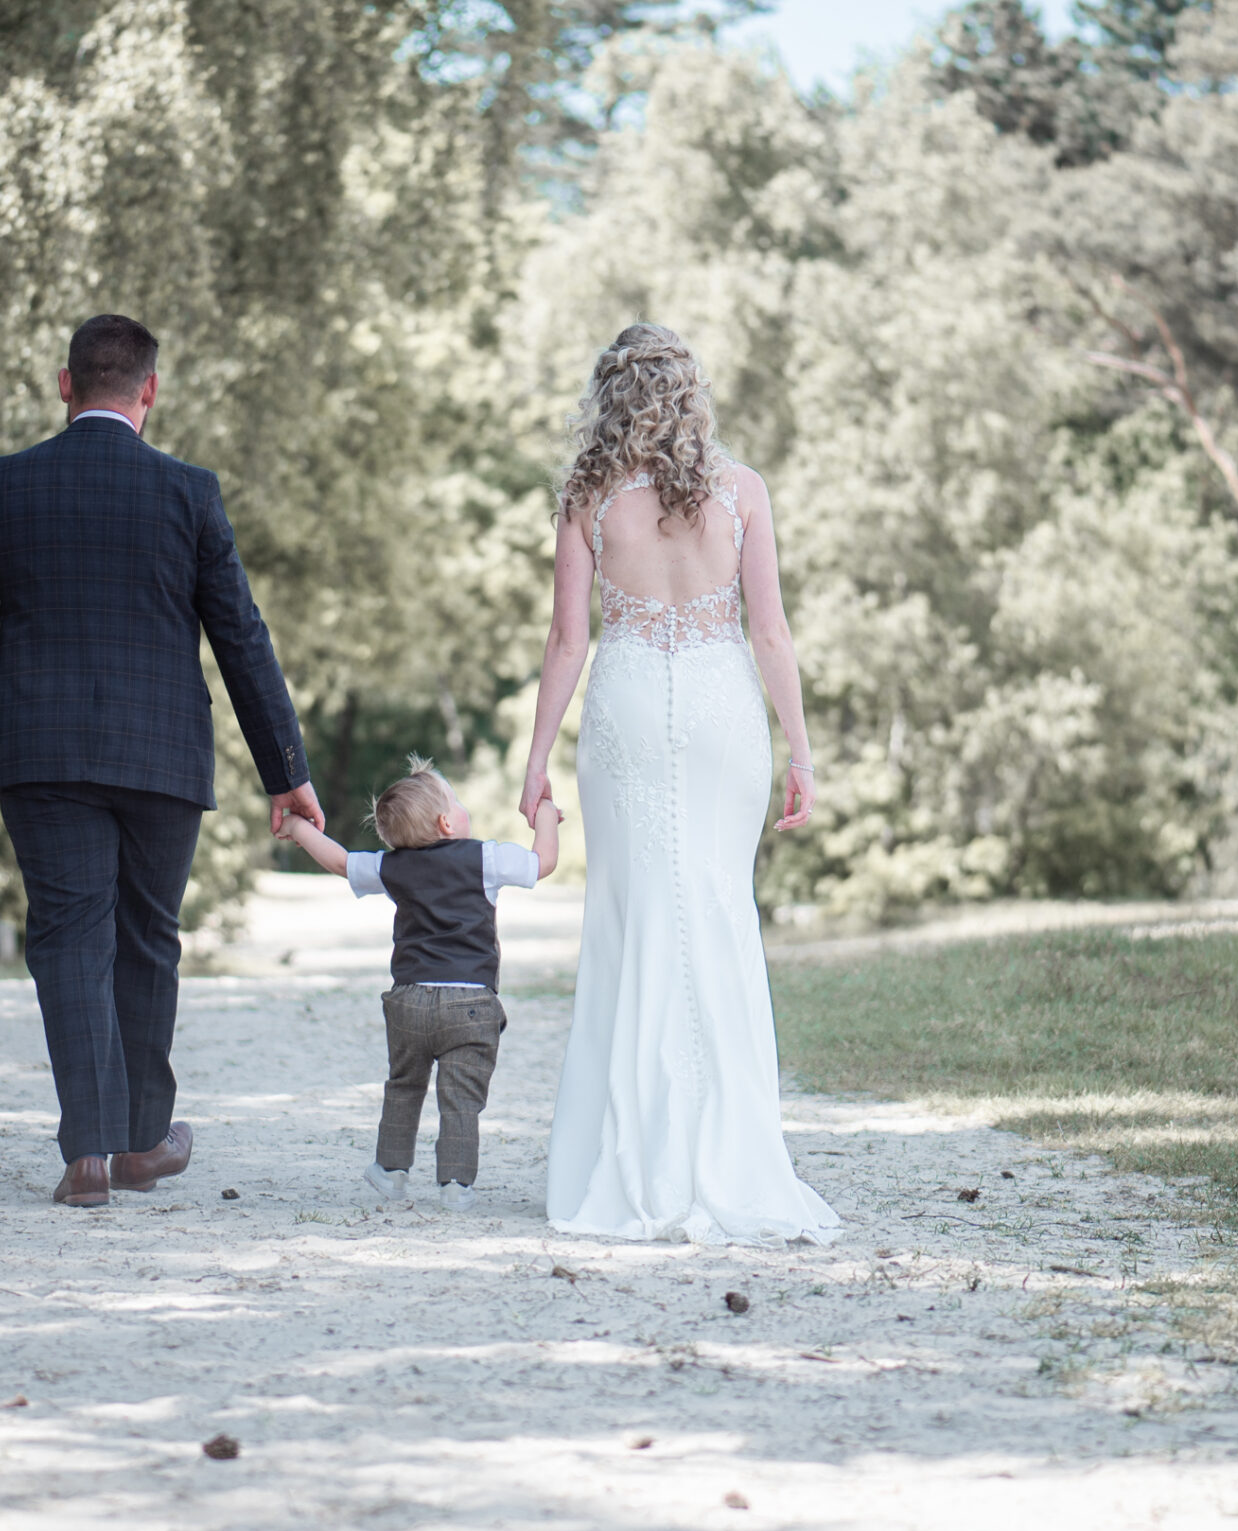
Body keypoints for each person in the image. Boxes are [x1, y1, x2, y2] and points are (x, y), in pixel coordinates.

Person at [0, 314, 323, 1208]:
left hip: (41, 751)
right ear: (149, 392)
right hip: (162, 755)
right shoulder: (190, 492)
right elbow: (241, 639)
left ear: (64, 386)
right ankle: (140, 1142)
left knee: (68, 935)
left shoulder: (4, 486)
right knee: (146, 936)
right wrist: (284, 769)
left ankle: (89, 1153)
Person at [520, 324, 841, 1245]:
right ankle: (729, 1153)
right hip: (719, 706)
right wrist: (802, 753)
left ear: (609, 398)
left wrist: (536, 759)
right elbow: (770, 633)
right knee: (714, 908)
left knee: (634, 914)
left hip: (624, 703)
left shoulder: (588, 497)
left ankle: (633, 1157)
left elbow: (567, 642)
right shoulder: (743, 493)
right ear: (692, 392)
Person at [279, 759, 562, 1212]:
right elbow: (543, 862)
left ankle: (391, 1173)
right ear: (447, 822)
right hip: (470, 1002)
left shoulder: (393, 867)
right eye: (457, 800)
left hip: (409, 1001)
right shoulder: (485, 858)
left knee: (405, 1086)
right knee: (461, 1097)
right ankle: (455, 1185)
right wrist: (546, 815)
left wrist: (296, 825)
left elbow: (338, 860)